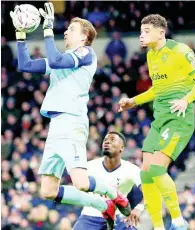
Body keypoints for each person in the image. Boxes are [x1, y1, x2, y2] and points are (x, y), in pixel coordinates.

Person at [10, 3, 131, 228]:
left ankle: (111, 192)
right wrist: (20, 34)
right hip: (56, 126)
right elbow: (24, 64)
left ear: (85, 37)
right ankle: (104, 206)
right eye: (65, 29)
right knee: (47, 190)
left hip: (73, 121)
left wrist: (48, 29)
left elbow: (55, 61)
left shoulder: (86, 53)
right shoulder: (63, 59)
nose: (65, 32)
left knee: (81, 183)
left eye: (71, 30)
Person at [118, 14, 195, 230]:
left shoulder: (180, 50)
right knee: (145, 171)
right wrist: (134, 101)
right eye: (141, 31)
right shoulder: (151, 55)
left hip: (178, 118)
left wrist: (186, 100)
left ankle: (178, 221)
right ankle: (158, 227)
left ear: (161, 33)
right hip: (159, 119)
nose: (141, 35)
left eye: (146, 31)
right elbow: (158, 89)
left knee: (157, 168)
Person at [73, 131, 144, 230]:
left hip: (119, 218)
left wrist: (138, 208)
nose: (107, 142)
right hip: (90, 216)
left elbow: (150, 191)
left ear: (122, 148)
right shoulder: (89, 166)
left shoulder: (131, 169)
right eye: (105, 140)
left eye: (112, 140)